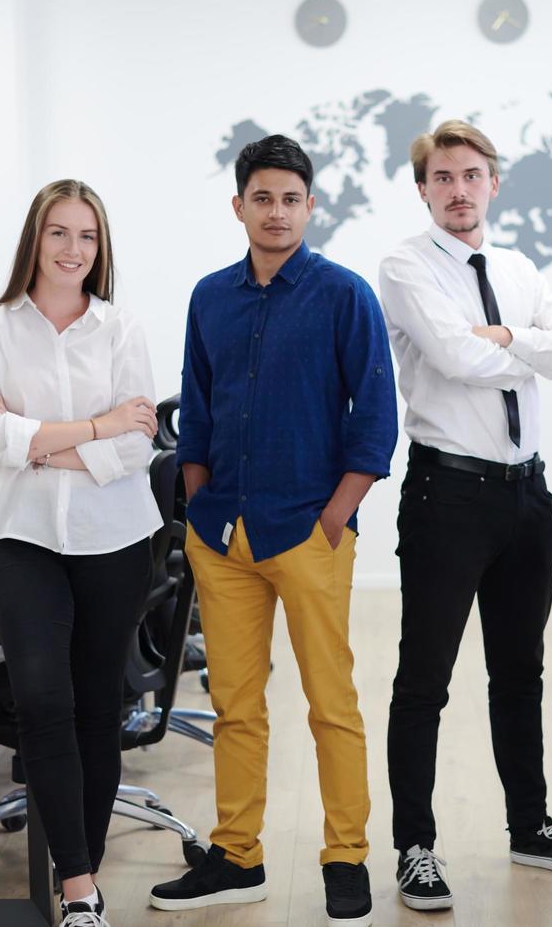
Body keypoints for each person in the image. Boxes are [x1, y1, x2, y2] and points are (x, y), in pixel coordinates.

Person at [148, 135, 397, 927]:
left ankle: (346, 856)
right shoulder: (209, 297)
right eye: (263, 198)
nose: (278, 211)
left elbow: (377, 421)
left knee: (332, 702)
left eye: (292, 198)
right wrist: (196, 502)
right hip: (223, 536)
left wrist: (334, 519)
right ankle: (236, 855)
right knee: (236, 706)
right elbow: (196, 403)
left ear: (310, 207)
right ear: (239, 207)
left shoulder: (344, 295)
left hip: (308, 533)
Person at [379, 119, 552, 913]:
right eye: (443, 178)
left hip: (526, 499)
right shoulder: (406, 265)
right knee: (424, 680)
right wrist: (525, 345)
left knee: (521, 674)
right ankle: (415, 846)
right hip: (449, 496)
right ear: (425, 189)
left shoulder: (518, 266)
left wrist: (505, 333)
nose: (458, 190)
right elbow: (453, 359)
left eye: (472, 175)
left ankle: (530, 825)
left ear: (493, 183)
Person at [0, 179, 162, 927]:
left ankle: (86, 880)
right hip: (22, 540)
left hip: (113, 540)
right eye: (59, 234)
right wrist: (93, 425)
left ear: (99, 248)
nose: (74, 250)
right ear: (33, 240)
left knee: (97, 709)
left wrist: (35, 441)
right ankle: (78, 888)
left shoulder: (120, 328)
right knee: (43, 701)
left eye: (87, 236)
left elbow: (140, 444)